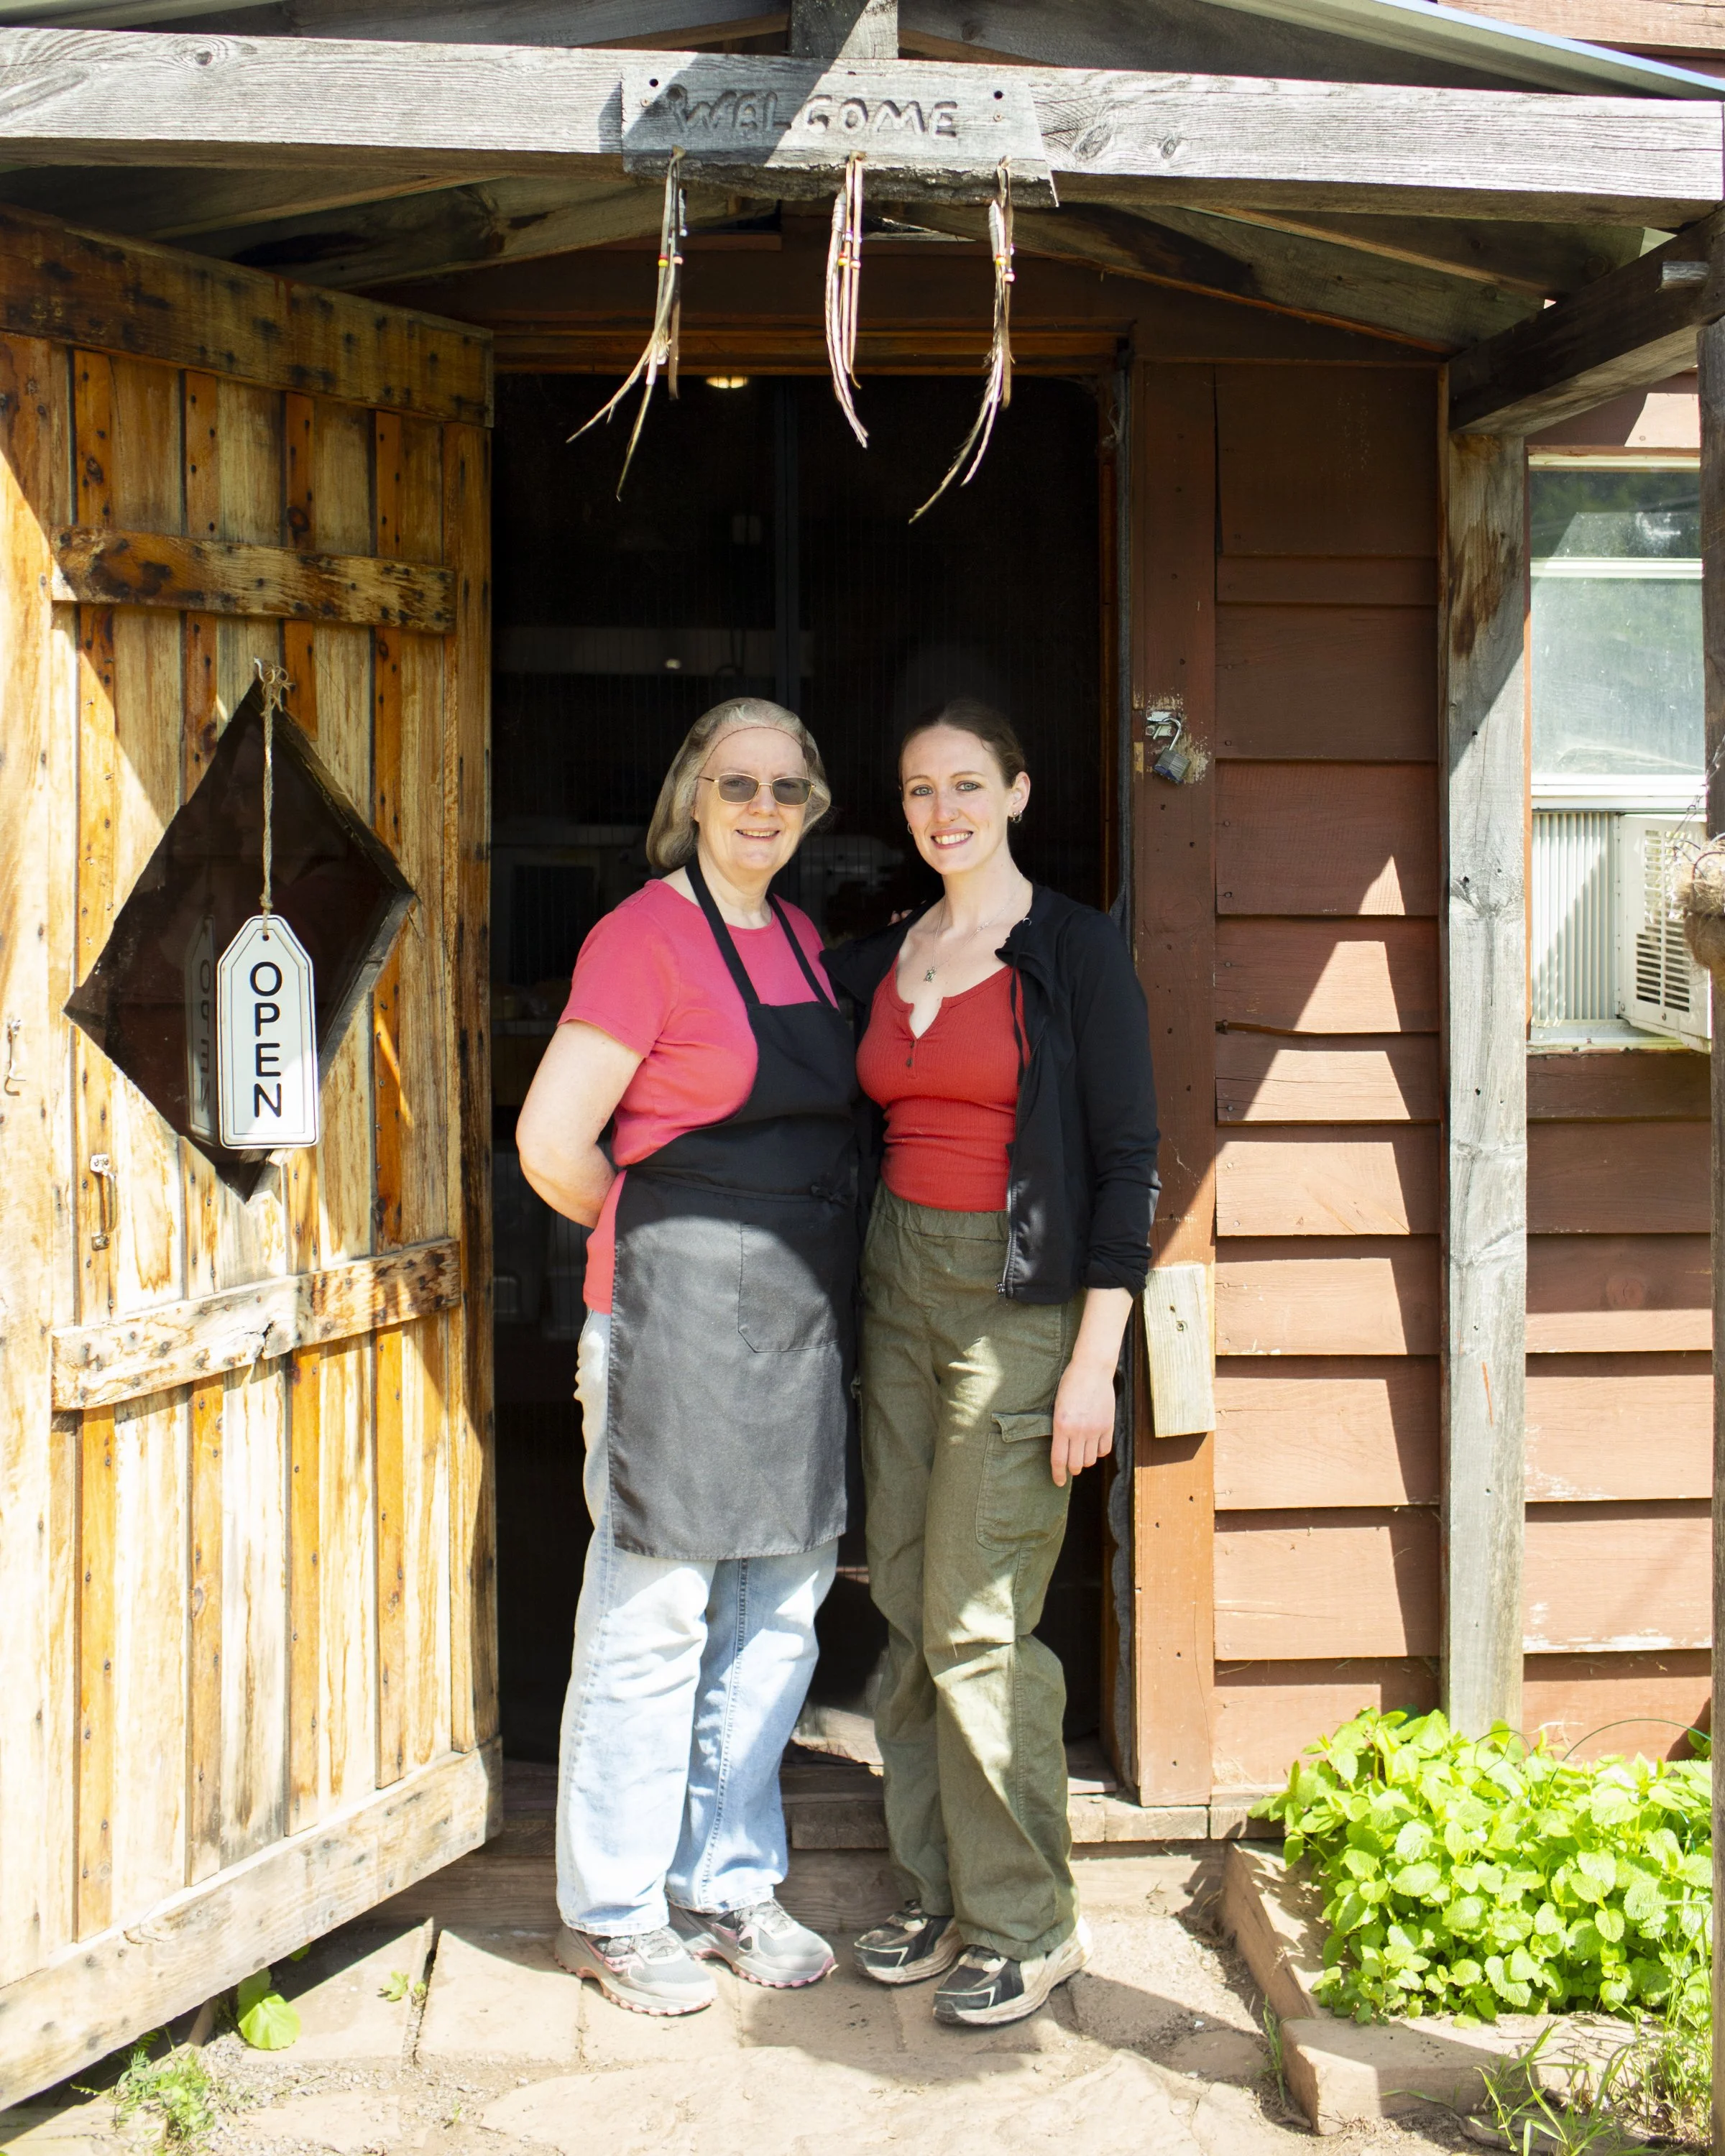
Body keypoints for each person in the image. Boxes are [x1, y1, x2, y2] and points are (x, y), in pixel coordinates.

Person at [515, 696, 859, 2017]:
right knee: (653, 1617)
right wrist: (655, 1251)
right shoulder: (642, 936)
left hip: (795, 1327)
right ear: (694, 797)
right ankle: (610, 1911)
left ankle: (725, 1883)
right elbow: (554, 1143)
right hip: (672, 1324)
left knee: (775, 1615)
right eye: (737, 784)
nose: (762, 808)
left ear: (813, 806)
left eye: (787, 786)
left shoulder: (811, 944)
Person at [824, 698, 1159, 2031]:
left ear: (1017, 793)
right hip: (895, 1288)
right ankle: (940, 1883)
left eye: (968, 785)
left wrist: (1097, 1364)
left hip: (1021, 1299)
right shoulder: (887, 953)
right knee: (905, 1595)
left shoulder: (1072, 951)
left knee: (978, 1615)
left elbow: (1129, 1158)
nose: (942, 811)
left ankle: (1030, 1922)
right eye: (918, 791)